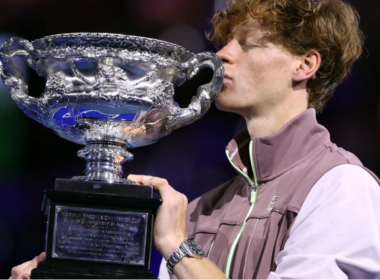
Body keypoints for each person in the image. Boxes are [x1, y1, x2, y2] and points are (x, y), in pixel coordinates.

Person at [10, 0, 380, 279]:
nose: (222, 55)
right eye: (225, 42)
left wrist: (176, 245)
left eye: (248, 44)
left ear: (305, 65)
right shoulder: (203, 210)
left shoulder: (343, 186)